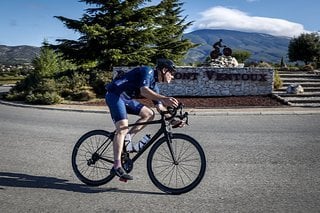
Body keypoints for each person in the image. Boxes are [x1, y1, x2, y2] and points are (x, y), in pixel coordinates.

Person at [105, 59, 183, 181]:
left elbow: (159, 108)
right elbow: (143, 90)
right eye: (171, 73)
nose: (172, 76)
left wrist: (173, 120)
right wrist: (164, 98)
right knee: (122, 127)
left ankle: (127, 139)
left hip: (125, 98)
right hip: (115, 94)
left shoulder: (154, 85)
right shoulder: (148, 71)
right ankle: (117, 165)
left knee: (149, 114)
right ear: (164, 70)